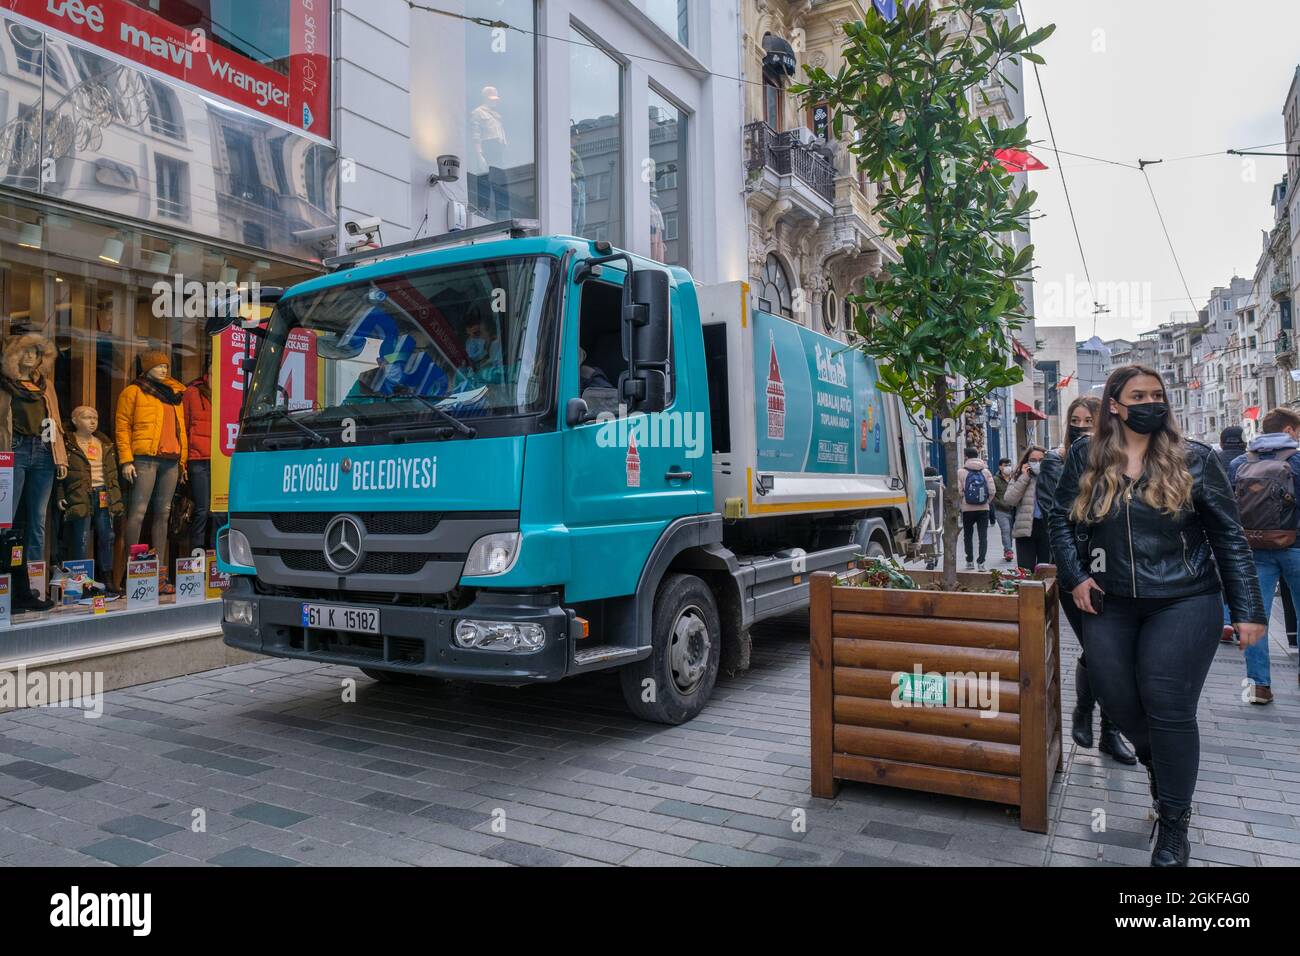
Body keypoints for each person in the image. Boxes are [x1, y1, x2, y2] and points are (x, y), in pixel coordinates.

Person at [1048, 364, 1265, 867]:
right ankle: (1162, 769)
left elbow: (1229, 537)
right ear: (1116, 406)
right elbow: (1061, 519)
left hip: (1184, 599)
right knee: (1119, 700)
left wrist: (1250, 609)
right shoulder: (1086, 454)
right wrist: (1077, 575)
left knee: (1167, 705)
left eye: (1157, 394)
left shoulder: (1196, 459)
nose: (1151, 402)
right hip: (1110, 599)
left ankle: (1173, 825)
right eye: (1138, 395)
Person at [1037, 396, 1136, 765]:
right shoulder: (1057, 460)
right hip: (1077, 570)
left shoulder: (1126, 457)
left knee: (1116, 656)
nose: (1082, 425)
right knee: (1101, 651)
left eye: (1089, 419)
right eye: (1075, 420)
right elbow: (1056, 514)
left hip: (1119, 572)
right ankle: (1085, 711)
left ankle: (1109, 731)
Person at [1225, 406, 1300, 704]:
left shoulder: (1241, 462)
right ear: (1288, 431)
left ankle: (1258, 687)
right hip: (1296, 545)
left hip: (1255, 548)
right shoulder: (1297, 460)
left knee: (1256, 616)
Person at [1003, 444, 1048, 570]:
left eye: (1041, 460)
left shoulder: (1053, 475)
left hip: (1048, 528)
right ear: (1026, 462)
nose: (1037, 463)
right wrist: (1025, 477)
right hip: (1025, 529)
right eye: (1033, 460)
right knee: (1026, 570)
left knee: (1046, 570)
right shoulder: (1018, 476)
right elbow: (1010, 499)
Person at [956, 447, 994, 571]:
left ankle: (969, 561)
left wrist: (963, 503)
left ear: (966, 456)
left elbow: (959, 491)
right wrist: (986, 502)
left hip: (967, 509)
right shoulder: (986, 471)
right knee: (983, 536)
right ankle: (981, 563)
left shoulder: (961, 472)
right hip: (984, 509)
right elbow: (992, 490)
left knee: (968, 535)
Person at [991, 457, 1016, 563]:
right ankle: (1008, 550)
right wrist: (1001, 504)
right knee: (1005, 530)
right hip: (1001, 510)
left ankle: (1007, 549)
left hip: (1013, 510)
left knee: (1010, 532)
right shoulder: (995, 479)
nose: (1008, 467)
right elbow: (992, 495)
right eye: (1005, 465)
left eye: (1009, 465)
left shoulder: (1014, 478)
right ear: (1000, 467)